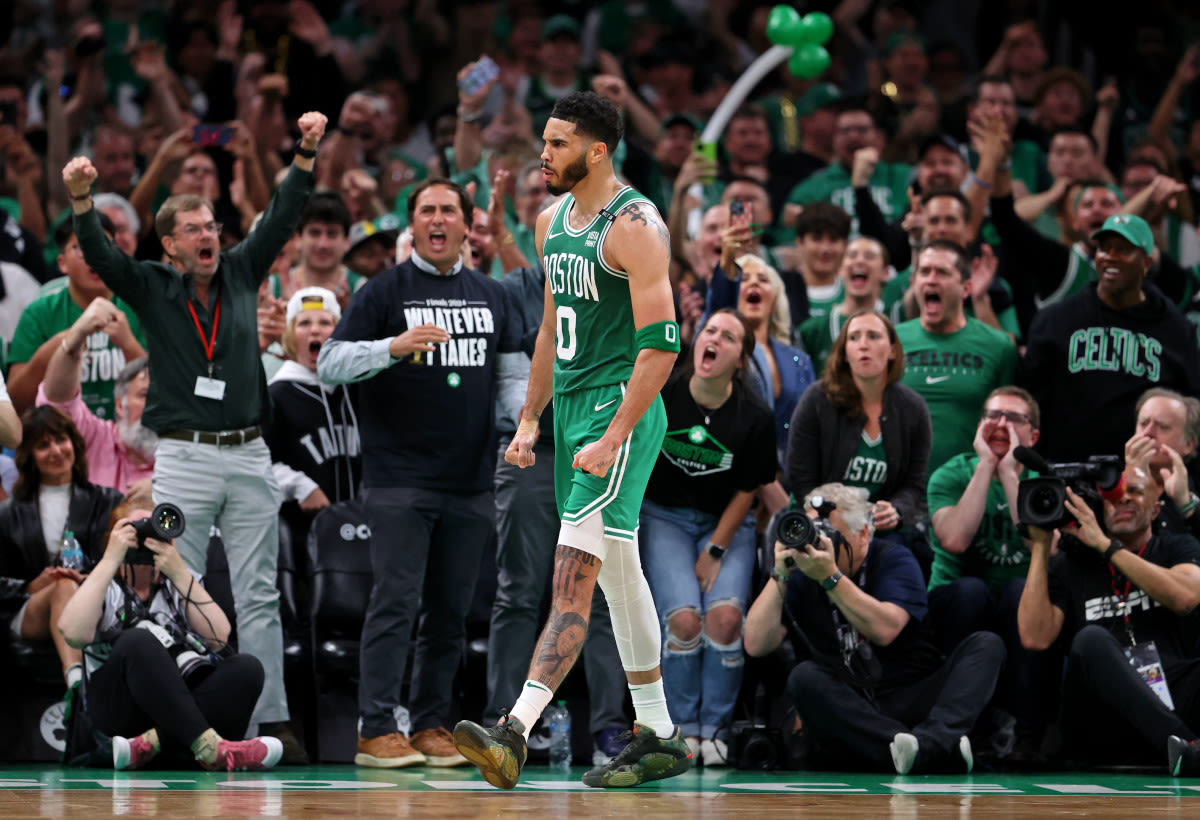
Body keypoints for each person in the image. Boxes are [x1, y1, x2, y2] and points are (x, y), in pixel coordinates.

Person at [59, 110, 330, 762]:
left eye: (212, 225)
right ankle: (177, 715)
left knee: (260, 590)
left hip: (249, 452)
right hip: (181, 455)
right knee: (181, 582)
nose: (208, 235)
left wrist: (304, 155)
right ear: (170, 246)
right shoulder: (151, 287)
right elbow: (99, 253)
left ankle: (273, 720)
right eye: (193, 229)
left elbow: (282, 216)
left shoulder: (242, 270)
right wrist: (79, 199)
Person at [452, 90, 691, 790]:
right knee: (620, 578)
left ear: (596, 151)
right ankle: (662, 736)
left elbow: (662, 346)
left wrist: (615, 436)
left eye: (557, 144)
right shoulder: (551, 218)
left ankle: (513, 731)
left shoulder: (637, 224)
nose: (544, 155)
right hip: (573, 413)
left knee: (571, 580)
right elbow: (552, 333)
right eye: (544, 141)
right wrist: (530, 419)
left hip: (622, 408)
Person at [317, 176, 520, 770]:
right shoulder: (383, 291)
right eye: (426, 210)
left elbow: (508, 378)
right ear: (413, 226)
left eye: (448, 211)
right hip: (399, 477)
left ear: (466, 224)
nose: (437, 220)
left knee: (450, 612)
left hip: (471, 478)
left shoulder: (493, 294)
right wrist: (392, 347)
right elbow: (329, 363)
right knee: (396, 602)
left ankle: (431, 722)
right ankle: (376, 726)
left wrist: (521, 428)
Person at [744, 483, 1005, 774]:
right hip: (852, 707)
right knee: (803, 678)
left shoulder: (894, 558)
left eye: (827, 533)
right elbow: (756, 644)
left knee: (986, 645)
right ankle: (933, 750)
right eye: (811, 531)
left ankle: (923, 744)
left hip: (910, 693)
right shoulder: (800, 574)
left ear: (864, 534)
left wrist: (831, 578)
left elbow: (885, 629)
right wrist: (778, 575)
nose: (816, 544)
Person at [488, 251, 630, 766]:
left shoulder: (623, 263)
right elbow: (524, 360)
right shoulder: (516, 288)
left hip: (598, 444)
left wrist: (615, 437)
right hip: (539, 450)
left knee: (602, 592)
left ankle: (614, 727)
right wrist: (528, 422)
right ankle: (504, 721)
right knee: (520, 592)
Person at [639, 309, 777, 766]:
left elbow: (749, 487)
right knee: (684, 622)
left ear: (741, 359)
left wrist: (715, 550)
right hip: (665, 518)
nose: (714, 339)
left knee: (722, 620)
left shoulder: (754, 414)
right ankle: (680, 731)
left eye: (729, 336)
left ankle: (715, 728)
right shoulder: (664, 392)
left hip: (725, 525)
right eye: (710, 330)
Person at [56, 502, 283, 772]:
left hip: (175, 704)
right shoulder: (103, 582)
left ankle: (150, 746)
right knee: (137, 640)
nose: (145, 538)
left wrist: (179, 572)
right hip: (117, 709)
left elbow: (219, 638)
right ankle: (208, 747)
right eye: (135, 529)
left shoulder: (178, 581)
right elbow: (72, 634)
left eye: (154, 529)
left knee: (247, 668)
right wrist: (110, 559)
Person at [1017, 465, 1200, 774]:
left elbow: (1186, 597)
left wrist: (1105, 545)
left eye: (1135, 491)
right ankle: (1189, 749)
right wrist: (1042, 548)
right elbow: (1034, 637)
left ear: (1156, 510)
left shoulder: (1176, 547)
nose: (1123, 499)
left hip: (1169, 694)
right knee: (1091, 639)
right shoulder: (1071, 564)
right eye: (1113, 495)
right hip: (1101, 713)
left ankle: (1180, 747)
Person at [927, 387, 1055, 753]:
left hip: (1020, 607)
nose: (1000, 424)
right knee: (972, 592)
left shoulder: (1044, 482)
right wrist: (986, 466)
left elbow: (1043, 547)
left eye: (1013, 418)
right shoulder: (951, 473)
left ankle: (1023, 736)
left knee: (1020, 593)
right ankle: (968, 730)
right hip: (957, 603)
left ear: (1033, 436)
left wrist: (1012, 474)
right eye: (992, 415)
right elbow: (955, 539)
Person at [1021, 214, 1200, 463]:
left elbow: (1190, 407)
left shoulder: (1176, 330)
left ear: (1147, 262)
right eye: (1104, 248)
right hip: (1065, 472)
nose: (1110, 257)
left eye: (1124, 250)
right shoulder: (1055, 320)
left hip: (1141, 479)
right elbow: (1031, 402)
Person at [787, 311, 932, 565]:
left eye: (873, 336)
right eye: (854, 338)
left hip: (882, 534)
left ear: (893, 351)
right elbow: (801, 480)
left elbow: (914, 485)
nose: (863, 344)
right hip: (817, 522)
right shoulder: (816, 400)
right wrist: (836, 519)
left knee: (899, 560)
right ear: (844, 353)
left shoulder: (913, 408)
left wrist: (896, 510)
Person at [0, 406, 123, 688]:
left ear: (74, 444)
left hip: (97, 600)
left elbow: (126, 566)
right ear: (29, 455)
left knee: (68, 585)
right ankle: (78, 686)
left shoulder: (110, 502)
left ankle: (77, 684)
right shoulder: (6, 515)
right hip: (31, 610)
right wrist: (30, 587)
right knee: (62, 587)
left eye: (61, 440)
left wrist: (90, 579)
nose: (56, 450)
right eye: (43, 445)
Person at [895, 240, 1017, 475]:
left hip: (971, 484)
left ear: (966, 288)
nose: (931, 279)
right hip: (901, 489)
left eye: (942, 272)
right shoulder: (889, 341)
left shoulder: (999, 347)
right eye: (924, 271)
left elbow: (1010, 425)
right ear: (913, 283)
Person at [7, 215, 146, 418]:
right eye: (81, 248)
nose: (94, 255)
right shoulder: (38, 313)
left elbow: (167, 393)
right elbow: (15, 403)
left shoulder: (141, 307)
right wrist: (56, 349)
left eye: (103, 245)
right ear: (62, 263)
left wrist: (129, 345)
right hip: (62, 441)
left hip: (129, 438)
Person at [265, 287, 360, 550]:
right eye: (304, 323)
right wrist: (300, 486)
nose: (315, 330)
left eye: (325, 322)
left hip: (362, 531)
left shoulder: (354, 390)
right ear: (290, 336)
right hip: (302, 536)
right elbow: (257, 461)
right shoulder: (277, 394)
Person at [37, 299, 154, 498]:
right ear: (119, 404)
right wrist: (74, 341)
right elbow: (56, 406)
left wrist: (165, 485)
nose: (155, 406)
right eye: (144, 396)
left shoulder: (191, 454)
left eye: (161, 398)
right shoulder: (96, 438)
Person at [734, 253, 815, 472]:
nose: (753, 282)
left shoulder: (801, 361)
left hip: (790, 475)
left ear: (776, 296)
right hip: (734, 472)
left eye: (763, 279)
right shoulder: (721, 352)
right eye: (744, 278)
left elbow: (812, 428)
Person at [1125, 388, 1200, 538]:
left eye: (1163, 427)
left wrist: (1185, 503)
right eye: (1143, 423)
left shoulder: (1196, 488)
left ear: (1188, 445)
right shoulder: (1110, 485)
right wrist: (1134, 480)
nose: (1148, 433)